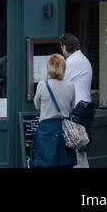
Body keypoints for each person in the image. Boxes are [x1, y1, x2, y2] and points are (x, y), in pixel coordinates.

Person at [31, 53, 75, 167]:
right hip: (63, 129)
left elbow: (37, 106)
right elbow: (71, 108)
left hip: (46, 128)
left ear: (48, 67)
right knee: (64, 162)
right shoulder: (70, 86)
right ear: (63, 67)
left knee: (44, 162)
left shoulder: (42, 85)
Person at [60, 32, 95, 169]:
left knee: (76, 150)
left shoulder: (71, 62)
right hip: (84, 109)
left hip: (76, 111)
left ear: (64, 47)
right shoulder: (83, 59)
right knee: (80, 149)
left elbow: (58, 82)